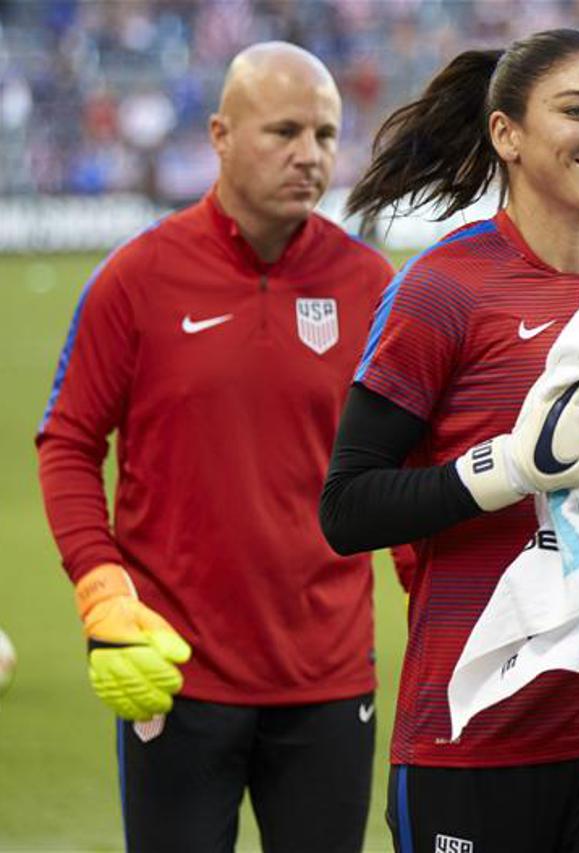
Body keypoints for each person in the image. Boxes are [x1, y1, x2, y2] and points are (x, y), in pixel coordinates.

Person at [319, 28, 579, 853]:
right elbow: (348, 507)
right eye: (578, 110)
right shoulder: (440, 290)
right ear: (507, 134)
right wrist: (502, 468)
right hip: (478, 731)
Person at [36, 41, 413, 853]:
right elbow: (68, 441)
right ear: (219, 134)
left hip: (328, 680)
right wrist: (102, 589)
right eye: (283, 131)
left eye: (323, 133)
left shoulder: (371, 285)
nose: (308, 155)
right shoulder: (135, 278)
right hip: (173, 677)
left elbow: (404, 472)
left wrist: (441, 614)